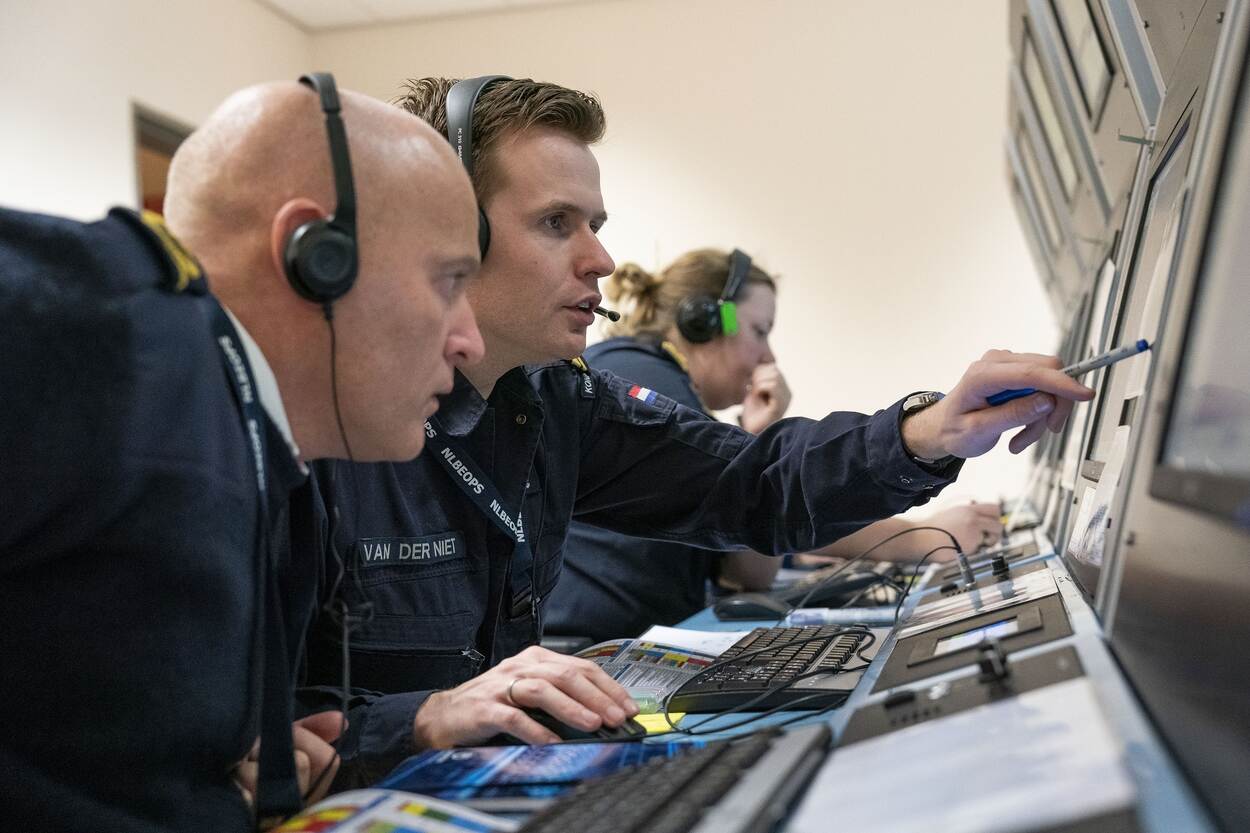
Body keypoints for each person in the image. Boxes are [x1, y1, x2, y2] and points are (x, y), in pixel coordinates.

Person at [301, 75, 1093, 784]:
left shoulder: (552, 400)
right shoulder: (318, 426)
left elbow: (750, 481)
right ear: (450, 230)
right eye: (556, 222)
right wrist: (425, 716)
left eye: (595, 223)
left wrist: (929, 430)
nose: (602, 259)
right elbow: (254, 745)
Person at [0, 76, 482, 832]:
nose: (468, 339)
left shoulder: (259, 443)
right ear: (316, 255)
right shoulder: (102, 332)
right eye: (448, 281)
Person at [544, 250, 1004, 642]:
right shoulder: (645, 384)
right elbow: (757, 531)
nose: (768, 356)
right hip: (592, 652)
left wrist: (757, 435)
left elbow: (753, 539)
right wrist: (920, 537)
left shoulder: (646, 381)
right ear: (704, 322)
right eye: (759, 331)